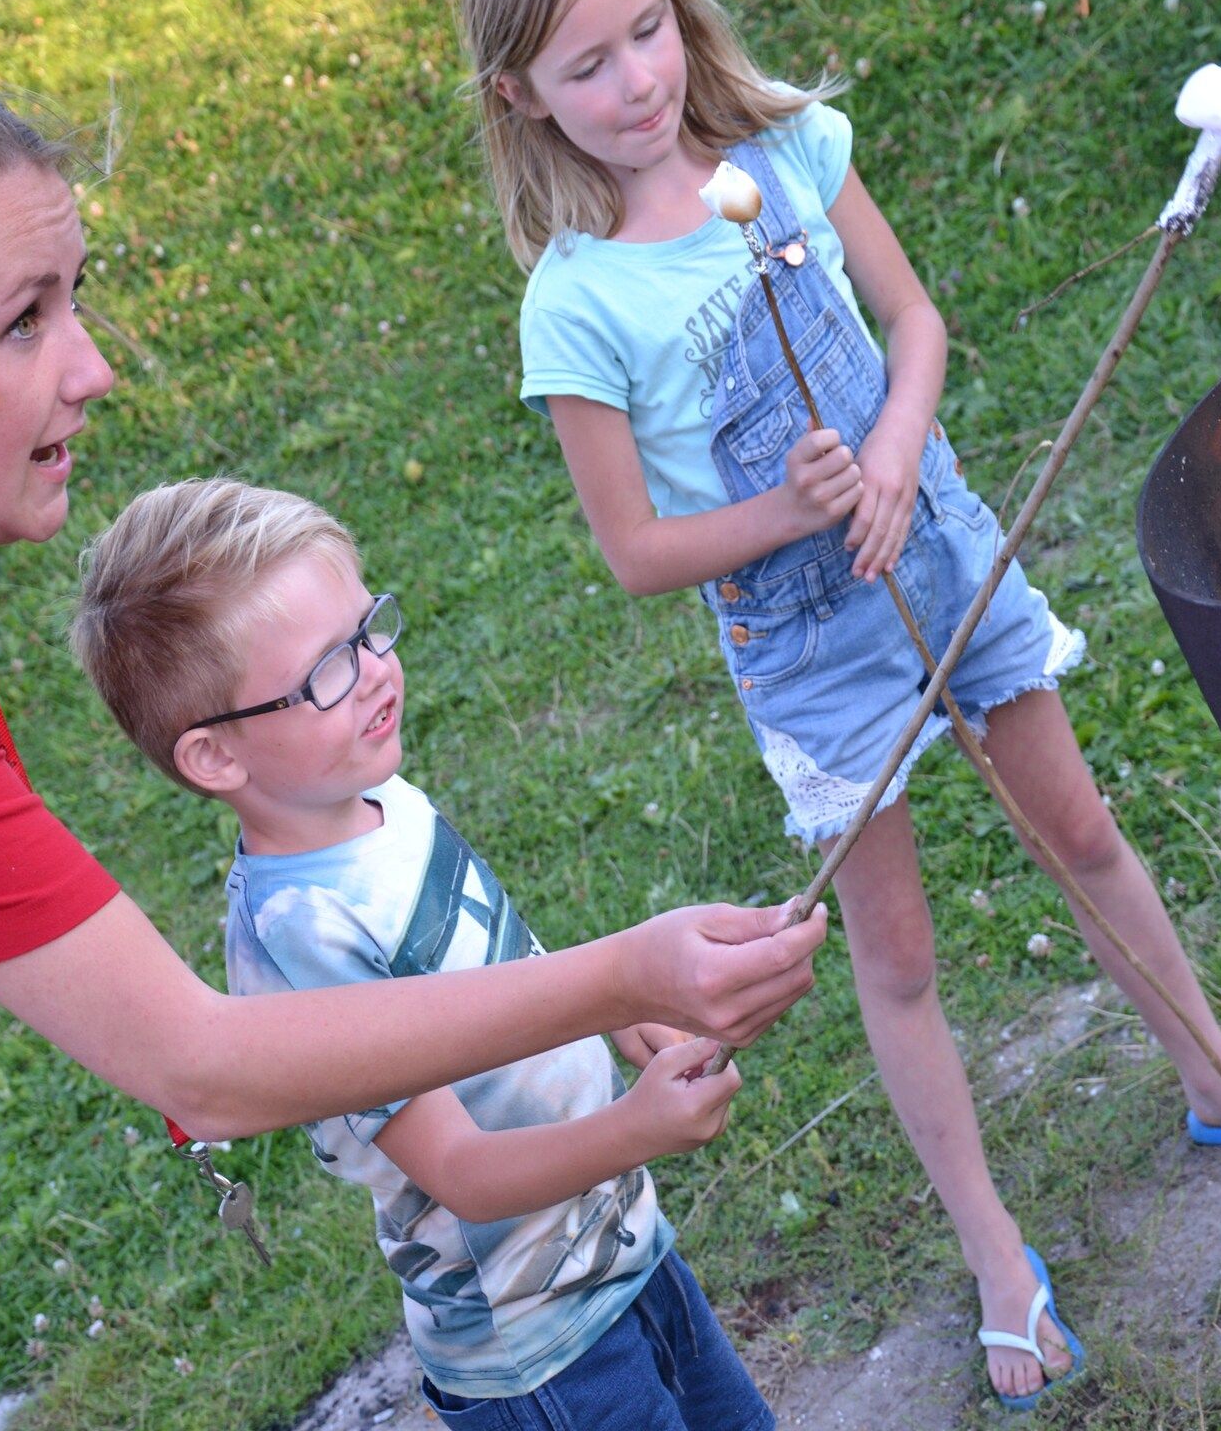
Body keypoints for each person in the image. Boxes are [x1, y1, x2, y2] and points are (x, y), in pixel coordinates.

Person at [0, 69, 827, 1431]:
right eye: (24, 323)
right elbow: (197, 1060)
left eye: (73, 299)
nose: (91, 367)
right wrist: (621, 971)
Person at [455, 0, 1221, 1409]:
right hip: (812, 652)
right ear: (519, 96)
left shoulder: (794, 151)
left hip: (943, 550)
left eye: (644, 34)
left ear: (679, 10)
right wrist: (785, 509)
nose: (633, 83)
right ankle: (996, 1253)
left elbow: (916, 320)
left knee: (1080, 827)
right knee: (895, 957)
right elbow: (634, 552)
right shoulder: (579, 301)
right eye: (583, 68)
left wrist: (890, 455)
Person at [74, 478, 778, 1431]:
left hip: (621, 1247)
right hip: (541, 1350)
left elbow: (502, 977)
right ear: (215, 759)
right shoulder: (301, 941)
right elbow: (464, 1173)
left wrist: (623, 1013)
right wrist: (638, 1131)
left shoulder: (381, 799)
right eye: (327, 669)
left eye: (369, 630)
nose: (373, 671)